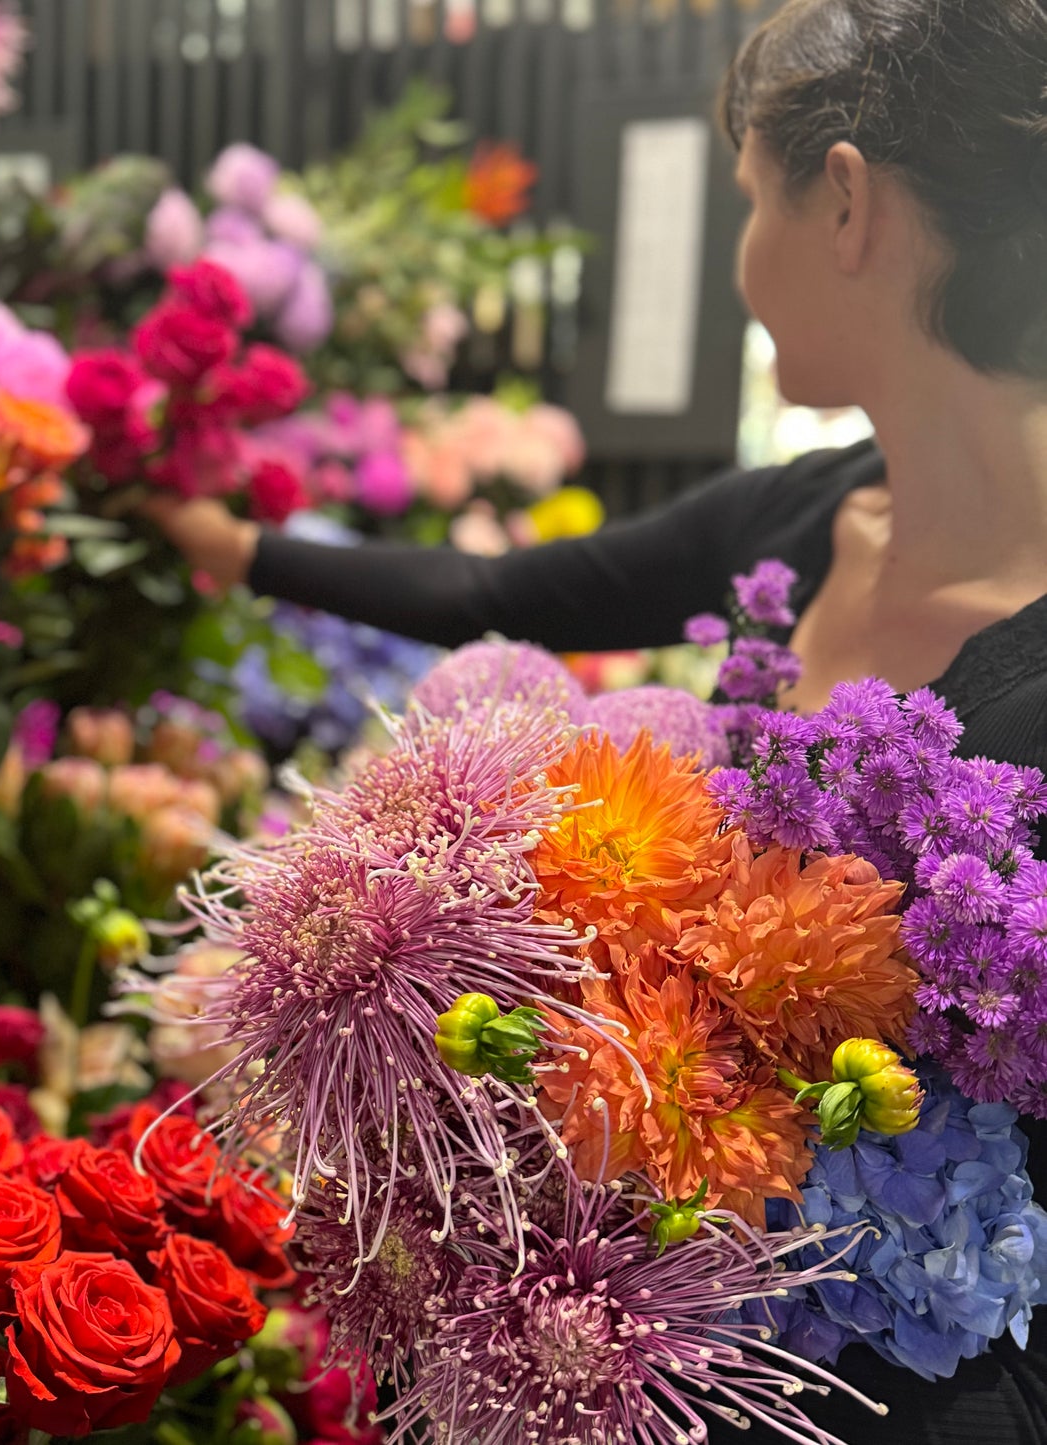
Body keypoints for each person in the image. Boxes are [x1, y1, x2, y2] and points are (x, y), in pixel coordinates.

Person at [148, 2, 1047, 1439]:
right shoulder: (807, 509)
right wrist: (234, 546)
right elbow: (495, 586)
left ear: (843, 202)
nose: (740, 265)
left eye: (747, 201)